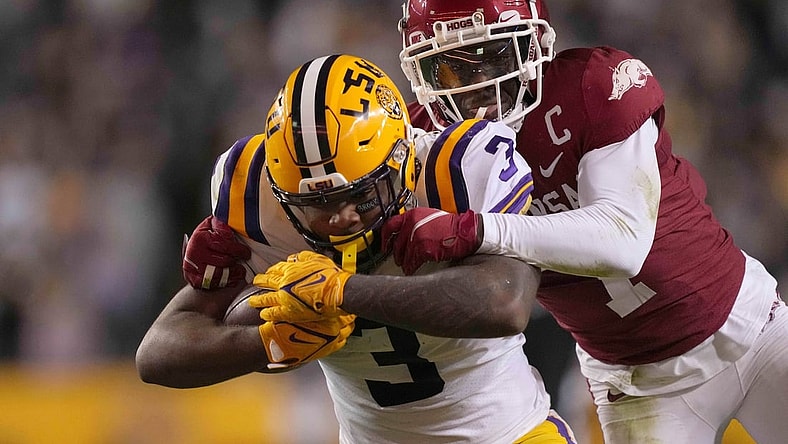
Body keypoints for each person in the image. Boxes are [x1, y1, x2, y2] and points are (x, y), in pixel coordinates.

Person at [382, 1, 787, 443]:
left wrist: (477, 230)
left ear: (534, 45)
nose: (478, 86)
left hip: (751, 331)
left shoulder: (591, 85)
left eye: (494, 56)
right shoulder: (416, 146)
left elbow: (622, 241)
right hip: (637, 387)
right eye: (450, 68)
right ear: (421, 72)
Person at [137, 54, 577, 443]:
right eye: (316, 204)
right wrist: (267, 343)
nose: (339, 218)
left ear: (403, 162)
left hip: (511, 435)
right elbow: (157, 354)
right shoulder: (259, 205)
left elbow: (506, 303)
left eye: (362, 195)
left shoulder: (453, 172)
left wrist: (341, 292)